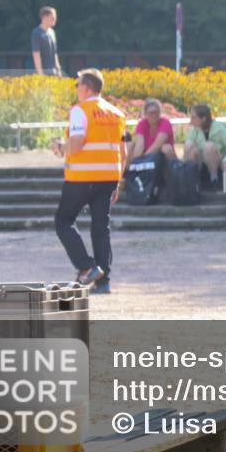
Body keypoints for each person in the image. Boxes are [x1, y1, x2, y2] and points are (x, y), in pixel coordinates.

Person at [51, 69, 126, 295]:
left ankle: (87, 266)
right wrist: (119, 181)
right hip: (108, 177)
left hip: (82, 177)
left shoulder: (80, 110)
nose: (76, 89)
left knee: (63, 221)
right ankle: (103, 281)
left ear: (87, 88)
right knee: (100, 228)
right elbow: (123, 150)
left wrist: (60, 148)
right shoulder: (116, 113)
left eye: (77, 85)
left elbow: (77, 142)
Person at [184, 104, 226, 191]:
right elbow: (188, 149)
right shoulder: (194, 130)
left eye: (194, 117)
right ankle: (191, 179)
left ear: (203, 118)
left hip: (218, 163)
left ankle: (214, 180)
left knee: (209, 146)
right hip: (201, 163)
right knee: (189, 145)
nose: (191, 120)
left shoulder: (220, 129)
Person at [127, 98, 177, 163]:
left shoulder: (165, 123)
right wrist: (137, 160)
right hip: (147, 156)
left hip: (161, 157)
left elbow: (157, 145)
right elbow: (139, 145)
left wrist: (143, 160)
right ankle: (130, 170)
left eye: (156, 112)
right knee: (129, 145)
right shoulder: (142, 124)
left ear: (159, 113)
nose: (154, 115)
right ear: (145, 114)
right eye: (151, 113)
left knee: (166, 148)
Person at [32, 6, 62, 76]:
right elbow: (36, 54)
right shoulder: (37, 33)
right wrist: (40, 73)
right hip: (44, 72)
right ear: (44, 17)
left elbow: (54, 53)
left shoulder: (52, 32)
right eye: (52, 18)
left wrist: (58, 69)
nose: (54, 20)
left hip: (53, 72)